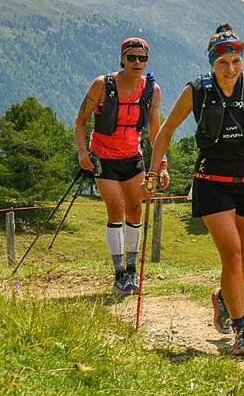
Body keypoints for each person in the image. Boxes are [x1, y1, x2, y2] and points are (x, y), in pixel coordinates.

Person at [145, 23, 244, 357]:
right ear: (211, 64)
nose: (230, 69)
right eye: (222, 63)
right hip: (212, 184)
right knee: (231, 256)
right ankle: (241, 330)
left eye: (235, 61)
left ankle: (222, 297)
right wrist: (154, 169)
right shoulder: (197, 91)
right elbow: (166, 130)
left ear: (242, 60)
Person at [74, 36, 168, 296]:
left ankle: (131, 270)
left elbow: (155, 129)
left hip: (132, 156)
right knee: (116, 210)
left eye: (142, 58)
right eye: (132, 57)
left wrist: (162, 163)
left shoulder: (152, 90)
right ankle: (119, 276)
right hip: (104, 157)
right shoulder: (102, 85)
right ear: (122, 59)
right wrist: (83, 152)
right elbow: (81, 120)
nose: (137, 62)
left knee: (135, 211)